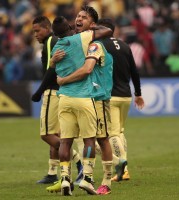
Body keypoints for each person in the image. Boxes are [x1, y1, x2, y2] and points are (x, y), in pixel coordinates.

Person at [49, 14, 113, 196]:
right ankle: (87, 178)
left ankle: (68, 179)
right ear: (70, 27)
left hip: (76, 98)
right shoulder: (81, 40)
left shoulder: (63, 46)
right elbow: (107, 30)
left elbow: (56, 71)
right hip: (86, 97)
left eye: (82, 18)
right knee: (89, 139)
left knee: (72, 140)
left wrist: (55, 67)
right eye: (77, 18)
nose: (78, 20)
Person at [31, 15, 83, 184]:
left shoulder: (50, 42)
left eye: (37, 30)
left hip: (53, 92)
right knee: (57, 134)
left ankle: (78, 161)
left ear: (47, 28)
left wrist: (39, 91)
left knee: (46, 134)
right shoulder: (56, 41)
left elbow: (51, 70)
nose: (35, 34)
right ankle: (53, 172)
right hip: (62, 92)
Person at [96, 18, 145, 182]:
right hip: (126, 96)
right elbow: (134, 72)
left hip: (110, 96)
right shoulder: (124, 46)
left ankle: (122, 165)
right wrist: (138, 93)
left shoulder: (99, 45)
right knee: (120, 132)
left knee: (112, 133)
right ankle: (125, 171)